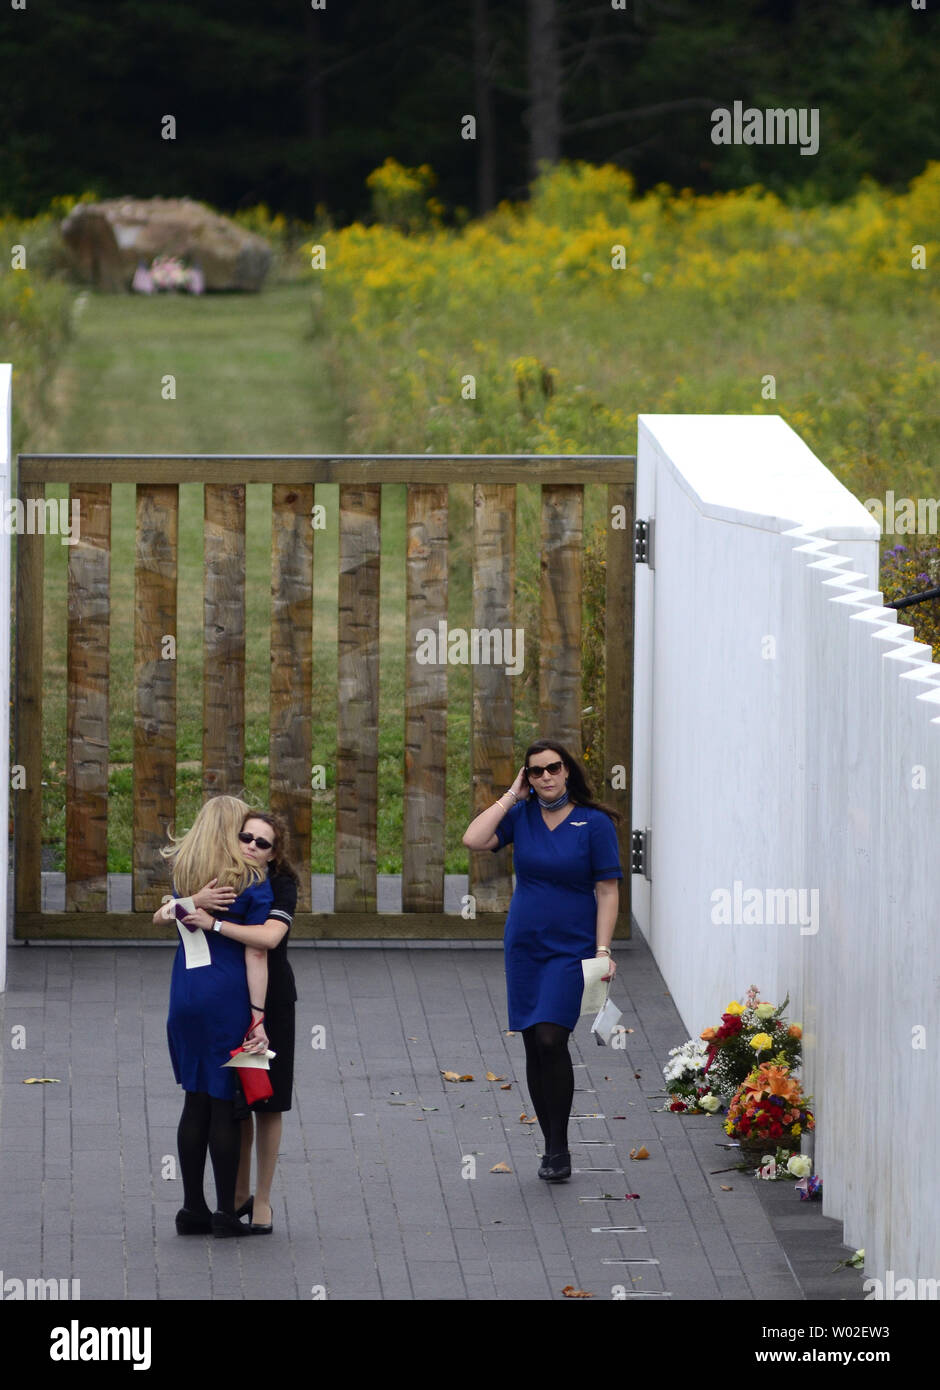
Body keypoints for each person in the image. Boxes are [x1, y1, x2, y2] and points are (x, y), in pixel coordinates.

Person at [462, 739, 623, 1181]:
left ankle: (560, 1143)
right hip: (525, 944)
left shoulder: (595, 823)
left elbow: (608, 890)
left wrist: (603, 950)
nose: (546, 776)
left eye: (553, 768)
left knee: (553, 1038)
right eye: (535, 771)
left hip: (571, 947)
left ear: (568, 770)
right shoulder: (522, 815)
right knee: (533, 1042)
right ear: (527, 777)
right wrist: (511, 796)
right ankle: (551, 1145)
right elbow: (473, 839)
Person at [156, 795, 273, 1236]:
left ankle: (192, 1208)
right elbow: (258, 949)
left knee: (194, 1099)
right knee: (225, 1103)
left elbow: (165, 915)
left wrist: (188, 902)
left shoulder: (183, 873)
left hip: (184, 992)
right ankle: (227, 1211)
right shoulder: (250, 880)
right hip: (226, 995)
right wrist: (258, 1016)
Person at [182, 809, 298, 1236]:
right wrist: (189, 903)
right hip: (234, 1004)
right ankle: (234, 1198)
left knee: (268, 1102)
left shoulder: (281, 884)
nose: (251, 845)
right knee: (236, 1104)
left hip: (272, 1007)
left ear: (274, 853)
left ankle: (261, 1201)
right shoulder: (219, 875)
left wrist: (213, 921)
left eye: (262, 842)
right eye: (244, 836)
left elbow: (268, 940)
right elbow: (166, 910)